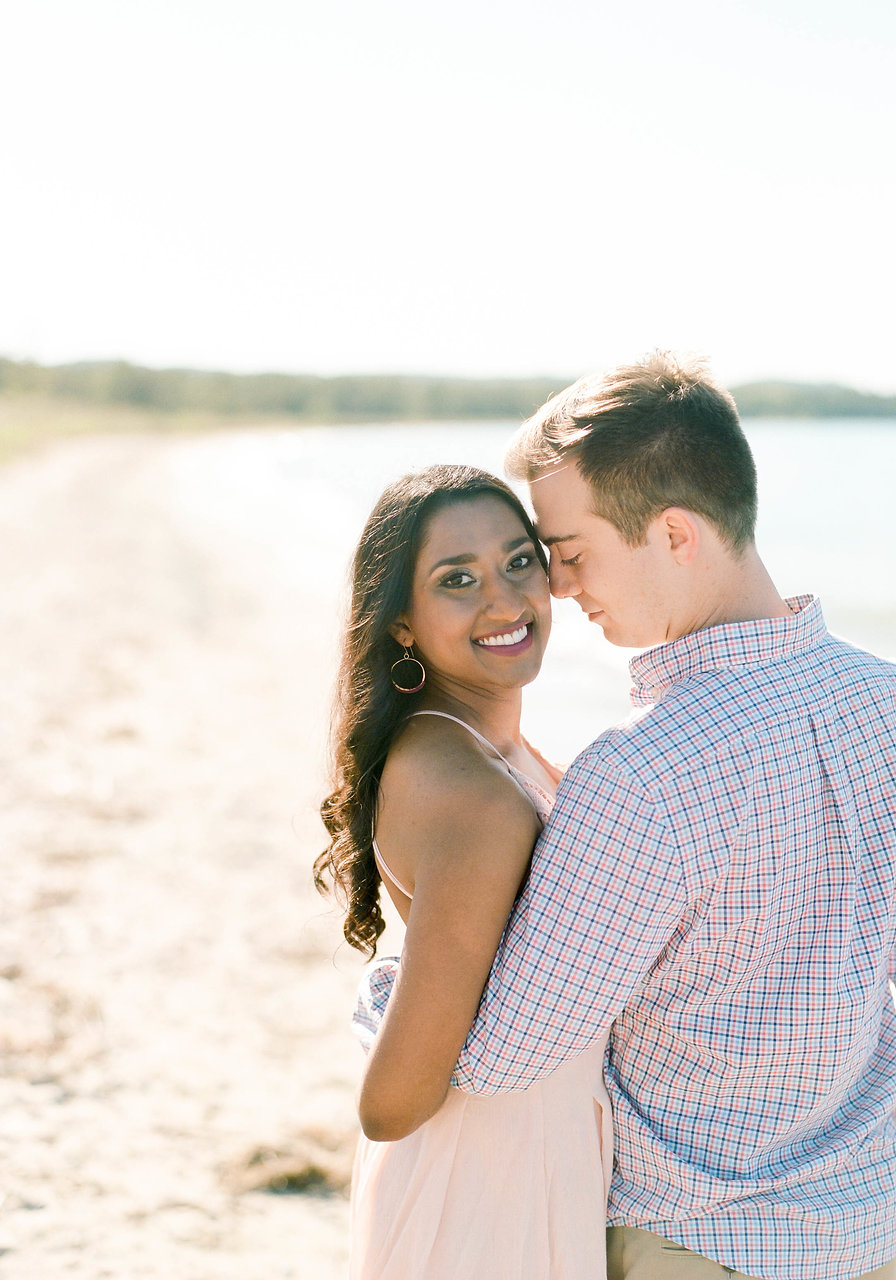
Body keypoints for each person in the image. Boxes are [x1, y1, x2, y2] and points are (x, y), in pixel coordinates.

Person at [363, 352, 896, 1280]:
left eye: (567, 554)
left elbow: (500, 1057)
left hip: (692, 1244)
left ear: (676, 535)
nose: (561, 589)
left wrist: (386, 985)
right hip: (867, 1237)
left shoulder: (641, 777)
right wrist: (892, 1157)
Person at [314, 463, 612, 1280]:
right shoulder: (471, 792)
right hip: (490, 1191)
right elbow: (391, 1102)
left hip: (516, 1163)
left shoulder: (478, 744)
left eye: (521, 561)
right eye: (458, 580)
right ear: (401, 622)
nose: (505, 601)